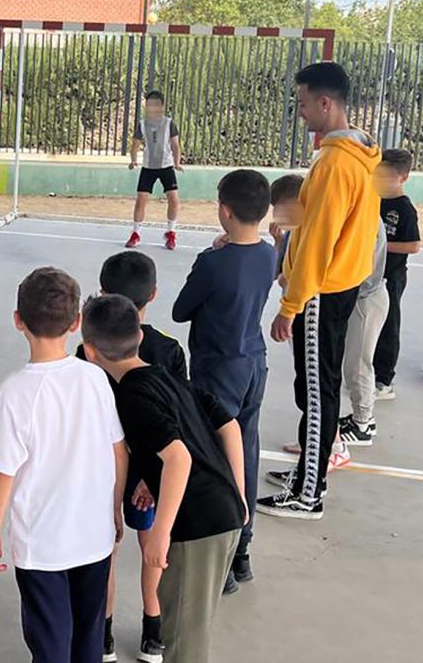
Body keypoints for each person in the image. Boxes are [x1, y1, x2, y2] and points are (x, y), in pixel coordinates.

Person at [82, 294, 246, 663]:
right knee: (185, 631)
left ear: (90, 352)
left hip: (197, 527)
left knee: (183, 647)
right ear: (139, 335)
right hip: (224, 512)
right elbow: (229, 425)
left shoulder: (131, 397)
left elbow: (178, 457)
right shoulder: (167, 379)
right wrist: (238, 493)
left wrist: (160, 533)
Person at [0, 267, 126, 663]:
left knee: (50, 642)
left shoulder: (13, 392)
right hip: (93, 537)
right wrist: (115, 507)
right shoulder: (95, 379)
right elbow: (118, 450)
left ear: (18, 321)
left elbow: (3, 471)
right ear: (77, 323)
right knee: (89, 637)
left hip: (42, 544)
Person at [260, 61, 380, 521]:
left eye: (304, 103)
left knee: (315, 390)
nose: (302, 112)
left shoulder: (334, 163)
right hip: (340, 284)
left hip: (321, 292)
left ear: (326, 103)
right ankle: (308, 475)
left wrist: (291, 305)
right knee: (318, 386)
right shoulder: (360, 155)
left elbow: (317, 238)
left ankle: (309, 492)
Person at [76, 251, 183, 663]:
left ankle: (101, 635)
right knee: (152, 544)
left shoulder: (88, 351)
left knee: (107, 548)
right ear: (152, 295)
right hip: (150, 474)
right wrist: (148, 477)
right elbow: (173, 419)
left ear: (102, 293)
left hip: (101, 472)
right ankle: (152, 631)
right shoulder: (168, 350)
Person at [171, 169, 275, 586]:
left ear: (226, 212)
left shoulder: (213, 263)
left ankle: (221, 554)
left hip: (218, 370)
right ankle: (243, 552)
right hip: (254, 363)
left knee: (212, 460)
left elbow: (181, 310)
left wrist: (214, 255)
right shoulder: (268, 254)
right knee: (245, 453)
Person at [371, 149, 422, 401]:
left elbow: (414, 245)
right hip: (369, 274)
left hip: (391, 276)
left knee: (388, 326)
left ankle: (384, 380)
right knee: (366, 325)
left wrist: (381, 244)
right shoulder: (374, 199)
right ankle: (367, 372)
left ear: (402, 178)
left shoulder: (404, 208)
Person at [336, 218, 388, 446]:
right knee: (356, 362)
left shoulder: (365, 220)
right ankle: (363, 417)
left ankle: (362, 425)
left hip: (365, 299)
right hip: (364, 297)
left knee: (358, 364)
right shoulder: (367, 212)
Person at [126, 91, 183, 251]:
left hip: (166, 166)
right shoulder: (143, 124)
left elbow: (175, 145)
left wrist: (177, 163)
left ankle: (170, 232)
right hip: (148, 167)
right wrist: (133, 160)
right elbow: (135, 144)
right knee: (141, 200)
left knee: (173, 199)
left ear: (162, 106)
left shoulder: (169, 123)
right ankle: (135, 233)